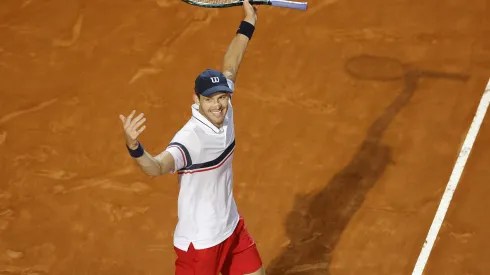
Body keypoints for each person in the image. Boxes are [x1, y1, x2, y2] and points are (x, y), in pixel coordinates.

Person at [119, 0, 265, 274]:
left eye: (222, 97)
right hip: (201, 245)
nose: (218, 105)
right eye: (210, 100)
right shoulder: (190, 139)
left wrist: (249, 21)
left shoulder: (227, 109)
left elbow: (232, 62)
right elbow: (157, 167)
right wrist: (135, 147)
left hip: (231, 228)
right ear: (196, 101)